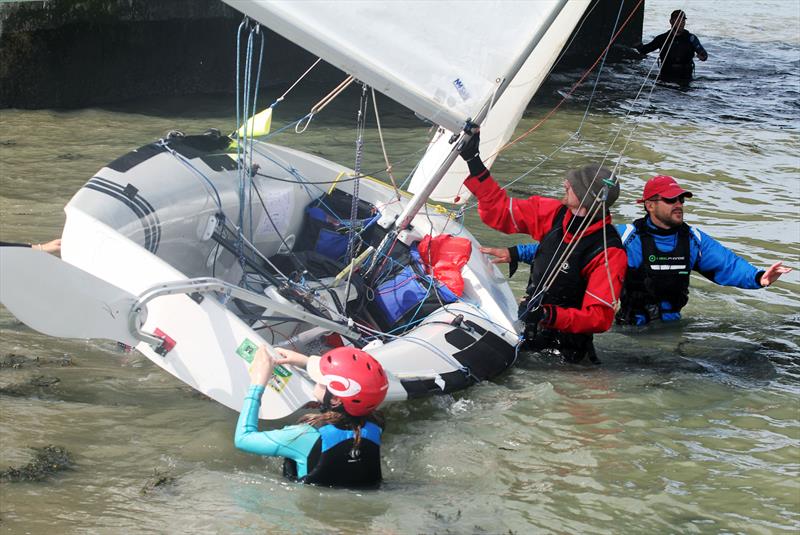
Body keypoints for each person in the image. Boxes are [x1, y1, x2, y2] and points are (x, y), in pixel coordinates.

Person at [491, 175, 792, 326]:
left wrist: (759, 278)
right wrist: (516, 253)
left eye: (682, 200)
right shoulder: (625, 236)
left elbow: (727, 265)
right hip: (629, 330)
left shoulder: (694, 240)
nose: (679, 205)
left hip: (672, 326)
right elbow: (569, 249)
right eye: (671, 200)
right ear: (649, 205)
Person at [459, 131, 627, 364]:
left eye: (574, 184)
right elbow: (499, 211)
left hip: (569, 356)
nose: (565, 182)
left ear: (587, 199)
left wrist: (548, 315)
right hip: (529, 334)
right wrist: (473, 161)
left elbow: (599, 318)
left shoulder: (608, 251)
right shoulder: (553, 213)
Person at [234, 344, 388, 488]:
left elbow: (243, 438)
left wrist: (257, 383)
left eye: (321, 379)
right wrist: (305, 362)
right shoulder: (376, 424)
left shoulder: (304, 435)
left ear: (335, 399)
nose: (316, 380)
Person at [636, 9, 708, 84]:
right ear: (671, 21)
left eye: (683, 21)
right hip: (666, 77)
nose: (681, 24)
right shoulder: (663, 38)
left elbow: (704, 54)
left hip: (685, 78)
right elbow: (644, 50)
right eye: (678, 21)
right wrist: (637, 45)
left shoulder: (691, 38)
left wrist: (703, 56)